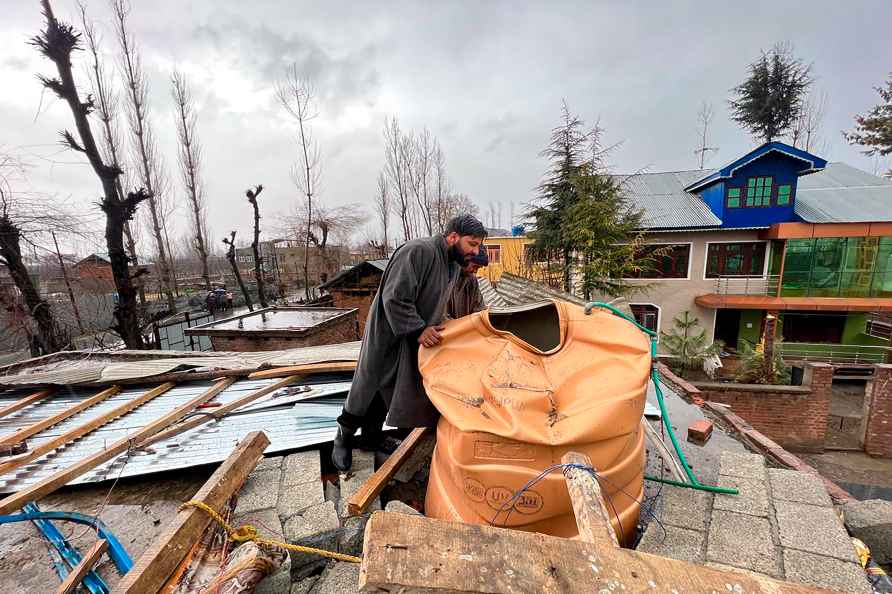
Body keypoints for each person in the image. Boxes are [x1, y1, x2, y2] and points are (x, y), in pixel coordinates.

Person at [332, 214, 488, 471]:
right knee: (367, 387)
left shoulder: (450, 265)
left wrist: (453, 329)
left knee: (387, 391)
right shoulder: (418, 251)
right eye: (472, 244)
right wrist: (418, 329)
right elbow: (394, 298)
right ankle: (344, 436)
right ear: (452, 237)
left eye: (478, 245)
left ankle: (370, 440)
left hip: (409, 338)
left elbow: (436, 307)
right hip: (388, 334)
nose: (476, 250)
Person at [446, 248, 488, 319]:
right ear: (465, 260)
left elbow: (479, 310)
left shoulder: (472, 281)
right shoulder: (445, 278)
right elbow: (439, 315)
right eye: (474, 266)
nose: (475, 271)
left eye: (478, 268)